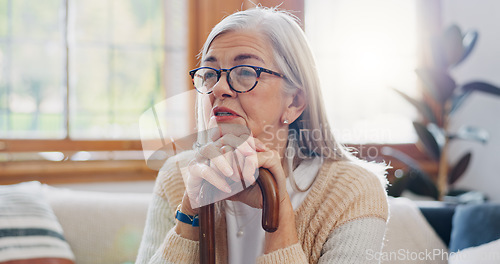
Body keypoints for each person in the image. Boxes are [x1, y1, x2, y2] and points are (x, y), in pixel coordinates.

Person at [136, 6, 389, 264]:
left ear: (295, 101)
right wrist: (190, 213)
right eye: (211, 74)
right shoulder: (176, 176)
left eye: (246, 72)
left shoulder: (353, 191)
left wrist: (279, 222)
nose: (220, 87)